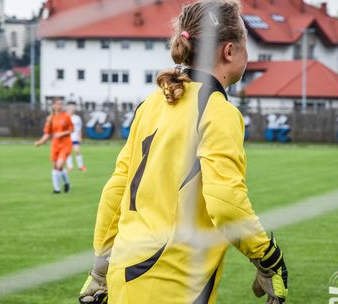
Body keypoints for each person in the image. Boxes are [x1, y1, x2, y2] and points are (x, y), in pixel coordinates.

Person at [78, 1, 288, 304]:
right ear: (229, 51)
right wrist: (267, 258)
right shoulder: (218, 111)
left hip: (123, 274)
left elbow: (116, 190)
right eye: (246, 43)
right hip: (172, 282)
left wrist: (100, 269)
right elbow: (225, 202)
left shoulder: (150, 103)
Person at [34, 97, 74, 193]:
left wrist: (62, 133)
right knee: (55, 167)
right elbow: (47, 133)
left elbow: (71, 129)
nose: (59, 106)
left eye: (61, 104)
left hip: (65, 144)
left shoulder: (66, 116)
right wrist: (41, 142)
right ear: (53, 105)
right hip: (55, 145)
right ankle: (67, 183)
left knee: (59, 165)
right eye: (57, 104)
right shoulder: (50, 118)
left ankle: (56, 189)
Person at [66, 102, 87, 171]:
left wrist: (80, 137)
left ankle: (80, 166)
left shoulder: (77, 118)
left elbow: (79, 129)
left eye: (73, 108)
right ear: (67, 109)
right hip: (66, 138)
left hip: (75, 138)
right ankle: (70, 167)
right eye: (70, 108)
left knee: (77, 151)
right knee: (68, 152)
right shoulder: (65, 117)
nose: (71, 110)